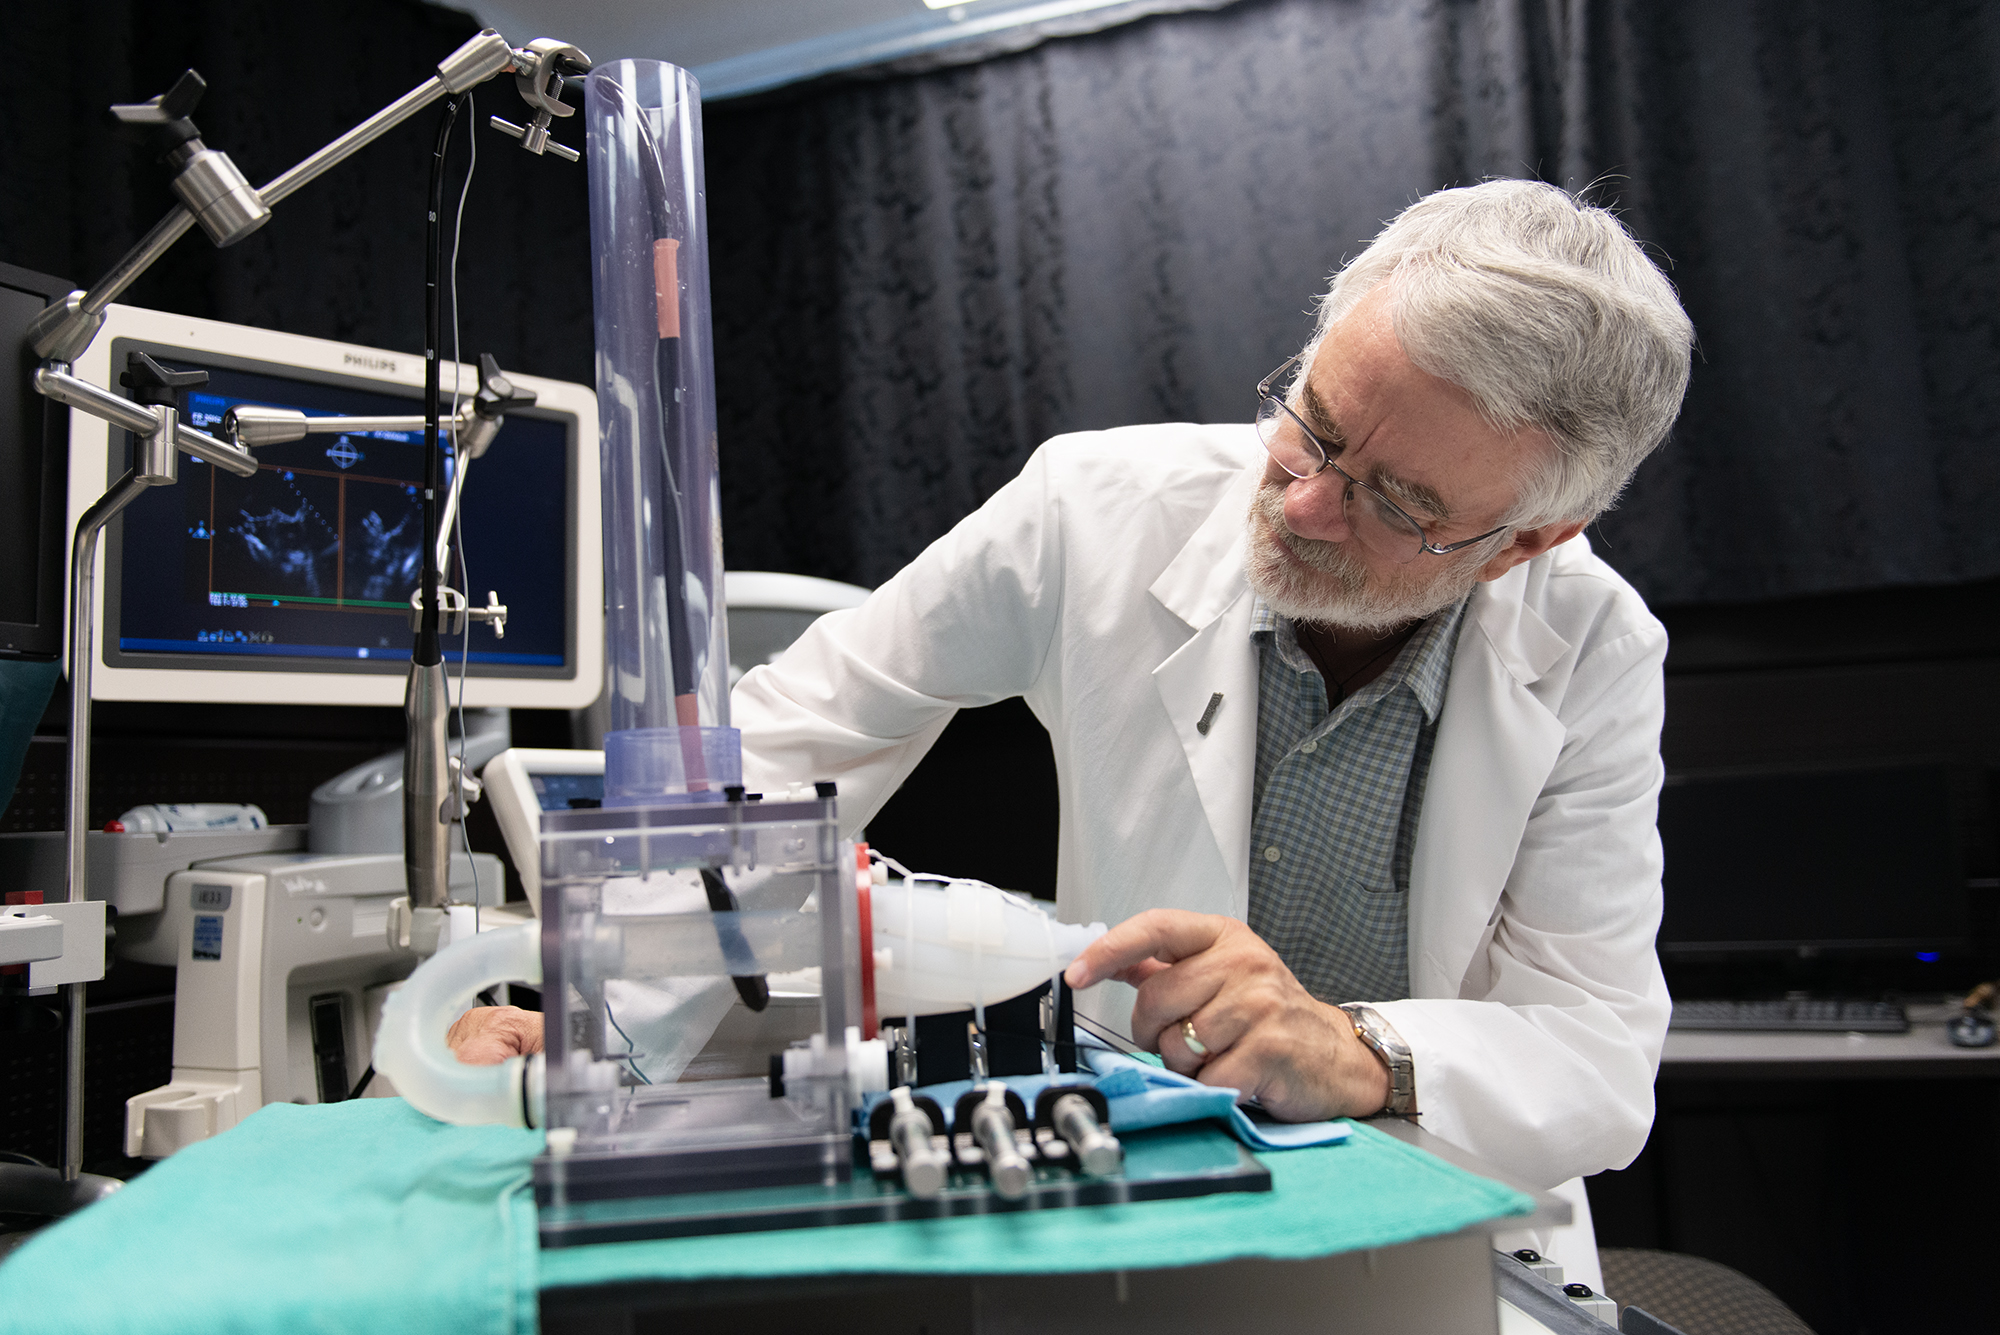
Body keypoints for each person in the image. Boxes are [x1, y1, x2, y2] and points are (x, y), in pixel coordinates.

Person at [452, 180, 1692, 1250]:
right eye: (1309, 424)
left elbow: (1593, 1051)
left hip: (1433, 1217)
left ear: (1525, 539)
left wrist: (1353, 1049)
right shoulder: (1094, 510)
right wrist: (595, 1026)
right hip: (1135, 1186)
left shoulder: (1591, 649)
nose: (1306, 504)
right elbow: (774, 746)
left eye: (1397, 502)